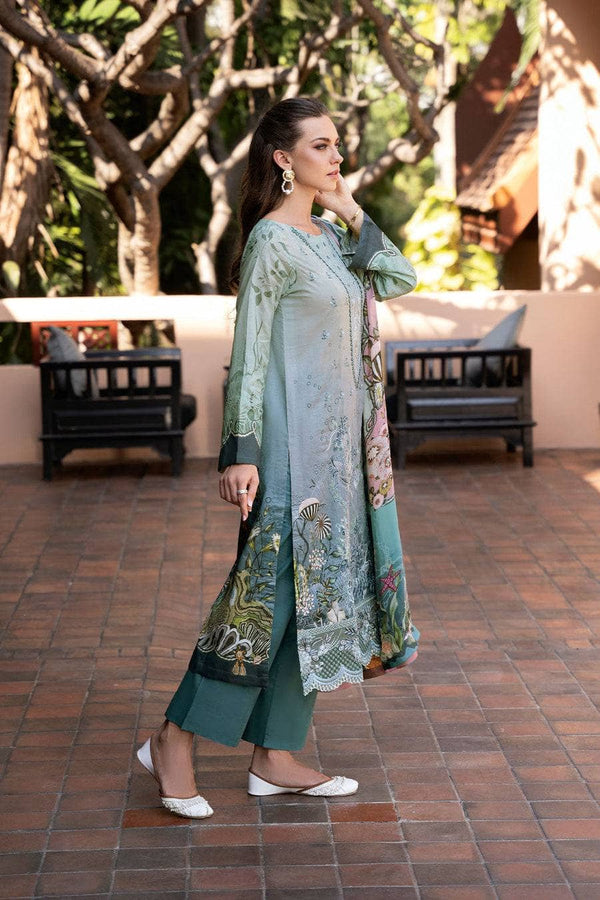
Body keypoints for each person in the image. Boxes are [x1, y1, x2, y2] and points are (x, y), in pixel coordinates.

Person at [137, 97, 420, 818]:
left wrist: (349, 207)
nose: (336, 157)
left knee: (316, 599)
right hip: (290, 454)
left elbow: (399, 278)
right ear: (283, 159)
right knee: (261, 600)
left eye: (337, 145)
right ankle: (174, 737)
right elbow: (251, 351)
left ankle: (276, 755)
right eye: (321, 146)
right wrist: (241, 451)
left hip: (343, 460)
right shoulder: (272, 241)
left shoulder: (332, 237)